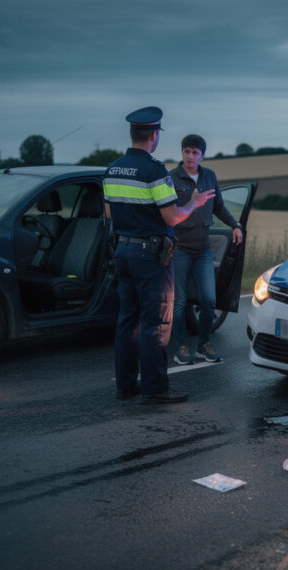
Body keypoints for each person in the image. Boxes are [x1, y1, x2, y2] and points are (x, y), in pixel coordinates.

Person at [103, 107, 215, 404]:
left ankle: (126, 385)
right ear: (153, 136)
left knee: (128, 319)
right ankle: (155, 388)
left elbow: (109, 212)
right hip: (150, 256)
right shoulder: (155, 171)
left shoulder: (112, 169)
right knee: (157, 322)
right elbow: (172, 218)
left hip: (122, 250)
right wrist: (193, 203)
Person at [168, 134, 243, 365]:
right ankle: (181, 347)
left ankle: (203, 345)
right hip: (179, 248)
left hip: (203, 249)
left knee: (209, 300)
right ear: (182, 152)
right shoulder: (171, 178)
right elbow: (167, 212)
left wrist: (235, 225)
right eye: (186, 152)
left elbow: (218, 205)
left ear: (202, 155)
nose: (190, 157)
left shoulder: (209, 176)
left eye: (195, 153)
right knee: (179, 302)